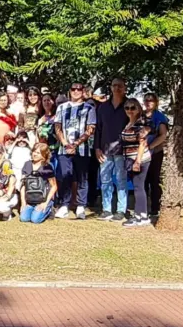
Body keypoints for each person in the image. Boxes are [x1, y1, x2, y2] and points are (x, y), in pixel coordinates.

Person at [54, 82, 97, 220]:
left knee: (82, 177)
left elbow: (90, 129)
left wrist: (76, 144)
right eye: (73, 89)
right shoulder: (61, 107)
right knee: (65, 176)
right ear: (69, 91)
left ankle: (81, 205)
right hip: (64, 148)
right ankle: (64, 204)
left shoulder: (89, 108)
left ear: (83, 91)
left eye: (79, 89)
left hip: (82, 149)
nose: (76, 91)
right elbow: (57, 127)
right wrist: (66, 144)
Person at [95, 77, 130, 222]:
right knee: (105, 180)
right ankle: (106, 209)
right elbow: (98, 129)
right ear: (110, 88)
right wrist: (97, 148)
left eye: (120, 86)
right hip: (105, 150)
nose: (117, 88)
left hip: (122, 150)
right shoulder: (103, 107)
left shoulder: (129, 105)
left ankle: (121, 210)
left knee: (121, 180)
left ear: (124, 88)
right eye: (114, 86)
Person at [121, 97, 153, 227]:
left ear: (139, 109)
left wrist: (137, 162)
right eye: (127, 108)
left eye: (133, 108)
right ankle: (142, 214)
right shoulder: (129, 122)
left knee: (138, 187)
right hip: (130, 158)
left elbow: (142, 143)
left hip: (140, 159)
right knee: (138, 187)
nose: (130, 110)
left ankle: (140, 216)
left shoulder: (141, 124)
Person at [143, 92, 169, 218]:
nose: (148, 102)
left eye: (151, 100)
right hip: (140, 153)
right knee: (142, 180)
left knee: (154, 180)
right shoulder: (140, 115)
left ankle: (154, 208)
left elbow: (163, 135)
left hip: (155, 153)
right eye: (146, 100)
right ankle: (141, 207)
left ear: (156, 102)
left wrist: (150, 147)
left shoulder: (160, 117)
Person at [20, 142, 58, 224]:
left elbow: (54, 186)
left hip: (43, 199)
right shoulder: (27, 164)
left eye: (38, 153)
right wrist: (23, 203)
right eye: (34, 151)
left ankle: (50, 209)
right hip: (30, 200)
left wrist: (45, 203)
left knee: (35, 220)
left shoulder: (47, 166)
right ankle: (32, 208)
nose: (35, 154)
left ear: (44, 155)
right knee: (23, 218)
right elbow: (23, 185)